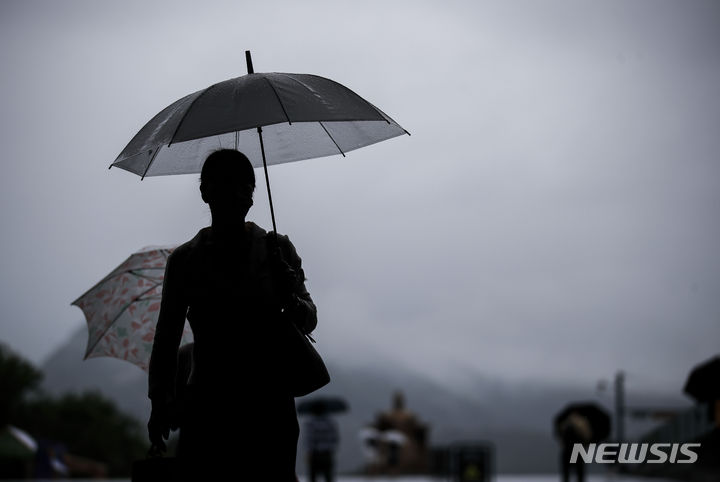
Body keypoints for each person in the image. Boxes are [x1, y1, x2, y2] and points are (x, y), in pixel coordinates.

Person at [147, 149, 318, 481]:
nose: (237, 193)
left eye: (245, 186)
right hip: (208, 405)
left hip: (269, 406)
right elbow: (166, 337)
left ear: (253, 195)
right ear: (205, 192)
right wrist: (159, 401)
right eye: (225, 183)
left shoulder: (277, 250)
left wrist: (290, 296)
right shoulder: (185, 261)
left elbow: (309, 320)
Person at [304, 409, 340, 482]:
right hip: (327, 453)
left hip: (315, 453)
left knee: (313, 476)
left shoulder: (311, 423)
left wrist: (308, 452)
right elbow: (335, 438)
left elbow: (309, 439)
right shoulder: (331, 423)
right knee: (328, 476)